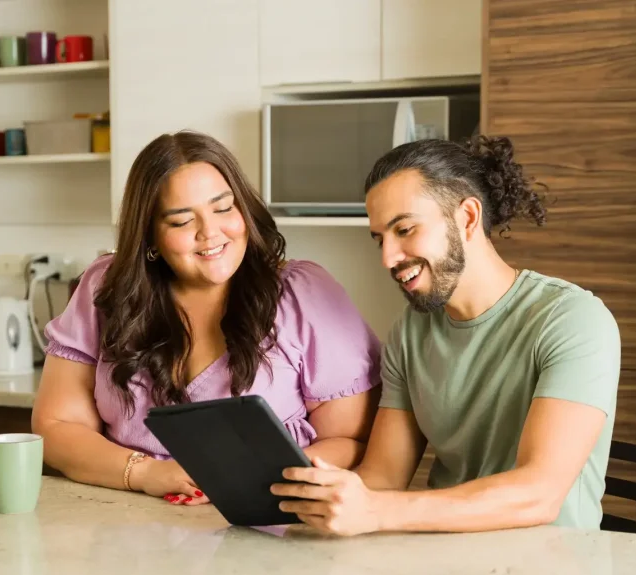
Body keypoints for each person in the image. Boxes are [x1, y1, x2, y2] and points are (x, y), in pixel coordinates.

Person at [271, 135, 621, 535]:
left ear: (467, 218)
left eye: (404, 229)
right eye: (380, 239)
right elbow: (384, 475)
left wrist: (378, 512)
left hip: (551, 573)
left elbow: (538, 492)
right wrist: (304, 488)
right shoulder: (409, 333)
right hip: (441, 561)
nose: (388, 257)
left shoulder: (571, 319)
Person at [32, 130, 382, 506]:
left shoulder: (304, 294)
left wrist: (250, 476)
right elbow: (56, 428)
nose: (210, 232)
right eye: (182, 221)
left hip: (264, 525)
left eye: (223, 208)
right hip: (125, 524)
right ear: (150, 237)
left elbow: (354, 442)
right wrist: (148, 473)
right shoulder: (106, 286)